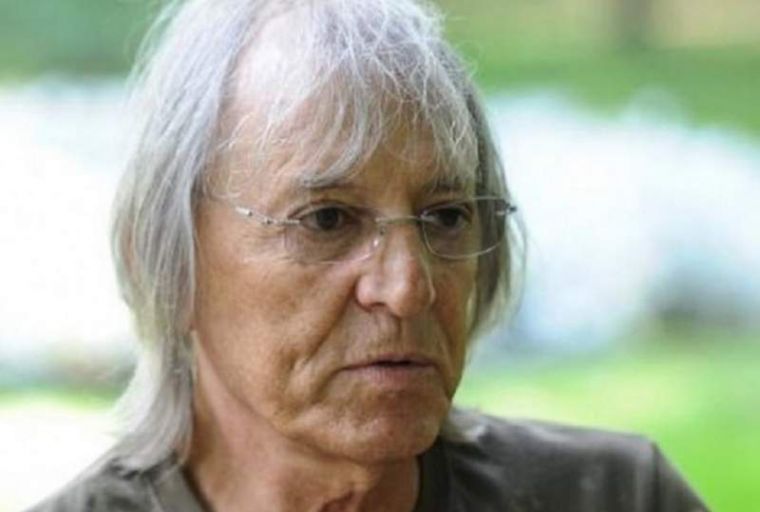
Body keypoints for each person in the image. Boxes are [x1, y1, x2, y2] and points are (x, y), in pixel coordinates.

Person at [31, 0, 708, 510]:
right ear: (166, 263)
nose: (407, 287)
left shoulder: (619, 497)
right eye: (327, 219)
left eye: (446, 216)